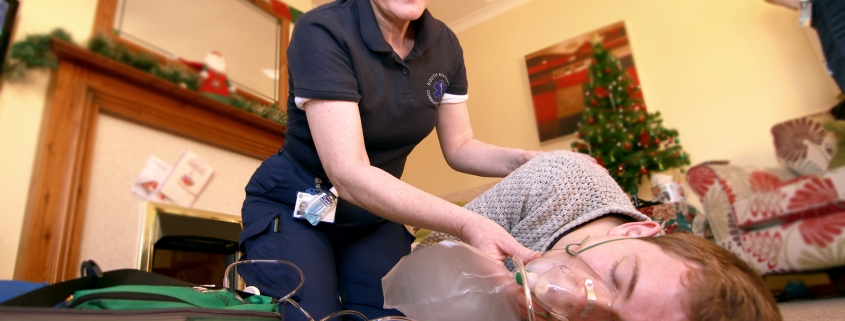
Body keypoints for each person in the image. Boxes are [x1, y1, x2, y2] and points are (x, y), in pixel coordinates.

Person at [236, 0, 542, 320]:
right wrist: (468, 222)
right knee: (311, 314)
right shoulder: (324, 29)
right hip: (297, 205)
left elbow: (461, 146)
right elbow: (349, 171)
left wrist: (528, 160)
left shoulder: (445, 45)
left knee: (394, 312)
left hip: (373, 215)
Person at [415, 151, 782, 321]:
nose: (583, 300)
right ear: (635, 231)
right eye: (621, 277)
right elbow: (420, 258)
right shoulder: (559, 180)